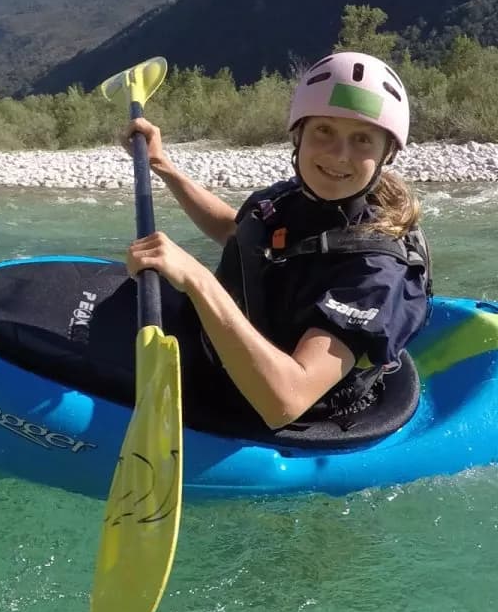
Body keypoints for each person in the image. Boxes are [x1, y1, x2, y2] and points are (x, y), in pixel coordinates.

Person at [122, 51, 432, 429]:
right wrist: (162, 166)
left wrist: (198, 279)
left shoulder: (375, 272)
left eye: (362, 139)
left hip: (286, 405)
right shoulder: (289, 199)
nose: (339, 154)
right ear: (298, 133)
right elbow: (236, 233)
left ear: (387, 154)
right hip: (226, 353)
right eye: (324, 130)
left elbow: (285, 400)